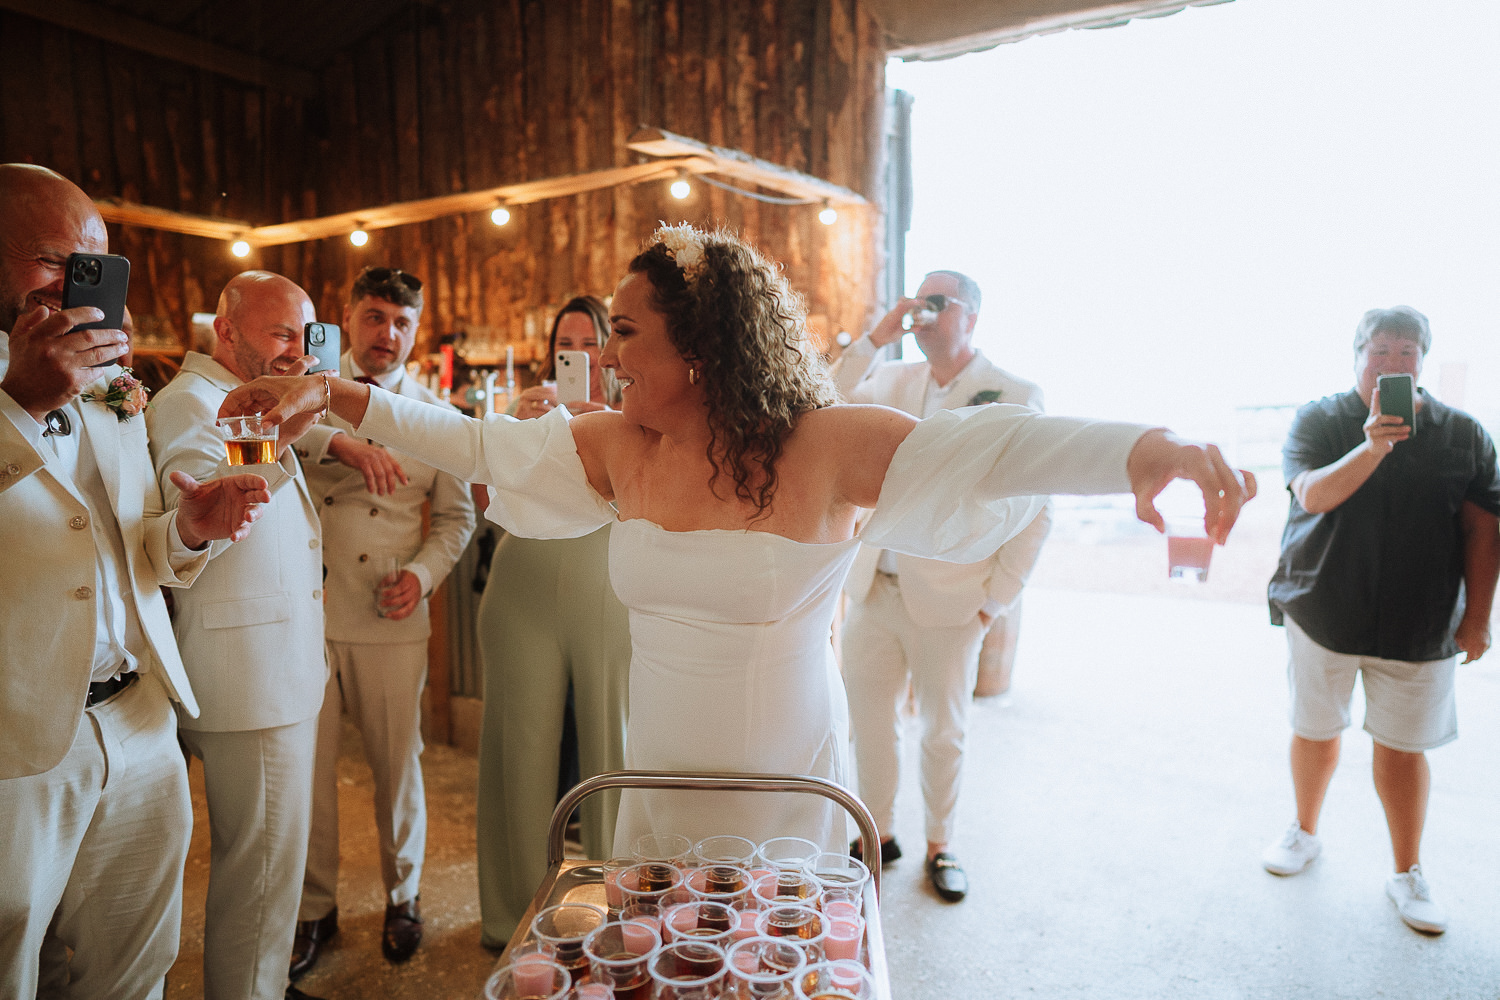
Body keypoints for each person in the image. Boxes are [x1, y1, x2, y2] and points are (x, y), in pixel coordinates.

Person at [219, 224, 1253, 857]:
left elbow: (986, 452)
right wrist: (347, 393)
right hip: (652, 791)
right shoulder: (620, 448)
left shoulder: (824, 445)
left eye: (625, 331)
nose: (609, 355)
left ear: (703, 343)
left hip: (787, 793)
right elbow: (473, 437)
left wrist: (1145, 449)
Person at [0, 163, 269, 997]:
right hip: (16, 740)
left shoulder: (114, 383)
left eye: (97, 263)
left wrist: (188, 530)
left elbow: (132, 545)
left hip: (142, 716)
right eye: (56, 260)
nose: (82, 285)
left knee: (137, 968)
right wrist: (18, 406)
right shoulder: (38, 377)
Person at [1261, 306, 1500, 935]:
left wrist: (1478, 616)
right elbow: (1311, 493)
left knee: (1404, 750)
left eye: (1407, 352)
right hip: (1324, 609)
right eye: (1380, 350)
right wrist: (1374, 446)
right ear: (1357, 354)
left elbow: (1483, 528)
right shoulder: (1320, 419)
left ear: (1423, 360)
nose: (1393, 363)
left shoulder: (1465, 434)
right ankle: (1304, 831)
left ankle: (1407, 871)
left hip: (1421, 626)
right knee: (1315, 730)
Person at [831, 269, 1051, 902]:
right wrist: (877, 336)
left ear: (972, 317)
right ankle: (877, 835)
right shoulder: (893, 380)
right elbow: (825, 398)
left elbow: (1036, 509)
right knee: (869, 723)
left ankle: (941, 844)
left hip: (955, 600)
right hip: (874, 587)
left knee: (943, 730)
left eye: (938, 302)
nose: (923, 312)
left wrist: (995, 601)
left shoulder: (1013, 392)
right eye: (918, 301)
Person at [148, 270, 330, 1000]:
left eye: (304, 335)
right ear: (225, 331)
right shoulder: (190, 405)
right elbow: (201, 510)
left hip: (272, 665)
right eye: (281, 333)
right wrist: (277, 439)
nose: (296, 352)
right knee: (257, 879)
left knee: (271, 875)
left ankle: (262, 985)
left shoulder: (249, 401)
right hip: (247, 676)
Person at [288, 267, 476, 977]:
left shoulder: (438, 416)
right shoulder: (310, 393)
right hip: (307, 611)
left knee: (400, 769)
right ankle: (314, 910)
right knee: (309, 773)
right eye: (373, 317)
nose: (386, 335)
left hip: (389, 613)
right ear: (349, 318)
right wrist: (338, 442)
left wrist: (424, 577)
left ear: (416, 330)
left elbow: (458, 519)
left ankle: (404, 895)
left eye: (401, 322)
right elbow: (265, 437)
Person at [473, 295, 632, 947]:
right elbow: (487, 503)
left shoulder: (634, 415)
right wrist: (519, 426)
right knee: (520, 750)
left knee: (612, 748)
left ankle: (627, 912)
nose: (578, 356)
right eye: (565, 344)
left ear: (610, 349)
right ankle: (509, 917)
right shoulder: (525, 412)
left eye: (589, 342)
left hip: (610, 585)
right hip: (523, 584)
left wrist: (607, 425)